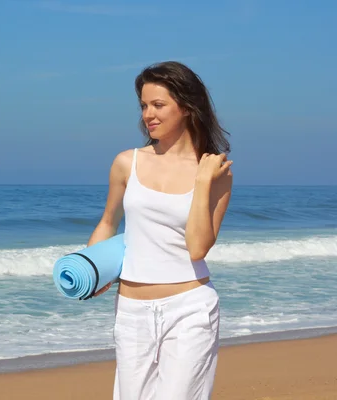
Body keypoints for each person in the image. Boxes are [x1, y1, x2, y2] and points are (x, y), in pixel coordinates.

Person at [88, 61, 233, 399]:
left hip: (190, 307)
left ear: (186, 106)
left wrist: (201, 180)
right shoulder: (127, 162)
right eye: (143, 105)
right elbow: (108, 221)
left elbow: (197, 247)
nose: (147, 114)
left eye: (158, 105)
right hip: (132, 310)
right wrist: (91, 270)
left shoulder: (216, 171)